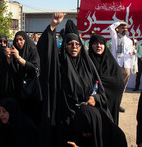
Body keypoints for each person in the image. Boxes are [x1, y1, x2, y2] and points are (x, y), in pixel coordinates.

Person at [38, 13, 110, 146]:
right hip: (65, 120)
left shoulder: (88, 66)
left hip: (86, 120)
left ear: (81, 46)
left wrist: (96, 99)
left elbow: (101, 91)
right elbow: (46, 53)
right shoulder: (60, 65)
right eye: (70, 44)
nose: (74, 46)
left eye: (77, 44)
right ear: (65, 46)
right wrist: (52, 26)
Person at [2, 31, 41, 125]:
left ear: (25, 40)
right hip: (19, 93)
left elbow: (34, 68)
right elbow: (13, 73)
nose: (19, 42)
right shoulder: (15, 53)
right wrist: (8, 59)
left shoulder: (32, 51)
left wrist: (19, 58)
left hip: (31, 94)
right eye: (16, 40)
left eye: (21, 39)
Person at [89, 34, 125, 126]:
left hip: (111, 102)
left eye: (101, 43)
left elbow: (119, 82)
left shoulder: (111, 62)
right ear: (90, 45)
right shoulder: (87, 61)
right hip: (93, 102)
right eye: (95, 43)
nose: (98, 46)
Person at [109, 21, 135, 113]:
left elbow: (131, 53)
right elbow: (111, 27)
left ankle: (118, 104)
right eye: (122, 28)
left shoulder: (129, 40)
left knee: (122, 87)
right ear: (118, 29)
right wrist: (119, 22)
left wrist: (133, 53)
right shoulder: (115, 38)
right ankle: (112, 103)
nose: (125, 30)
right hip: (117, 65)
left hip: (126, 65)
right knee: (116, 85)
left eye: (126, 28)